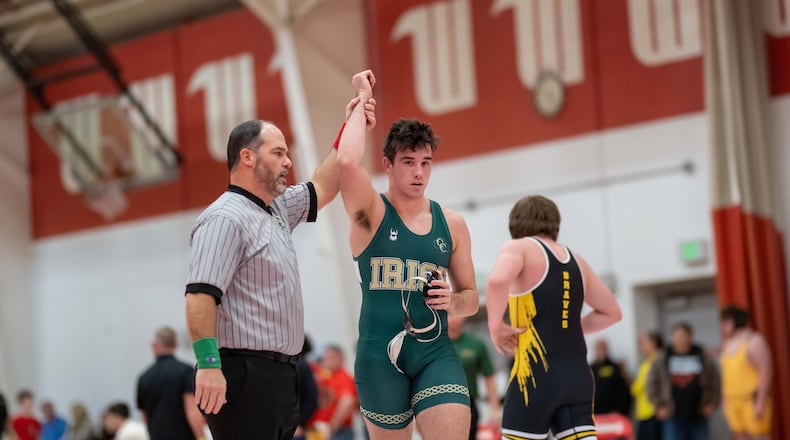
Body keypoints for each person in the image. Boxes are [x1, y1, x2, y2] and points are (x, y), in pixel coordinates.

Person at [184, 84, 376, 440]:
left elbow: (324, 185)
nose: (289, 162)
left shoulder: (278, 208)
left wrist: (353, 122)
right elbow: (199, 297)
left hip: (281, 375)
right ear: (247, 158)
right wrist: (209, 365)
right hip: (244, 372)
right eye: (279, 153)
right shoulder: (225, 217)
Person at [336, 70, 479, 439]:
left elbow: (471, 300)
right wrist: (360, 101)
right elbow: (347, 164)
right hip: (378, 356)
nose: (418, 173)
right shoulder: (372, 215)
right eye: (408, 162)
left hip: (435, 353)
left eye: (426, 163)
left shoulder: (452, 224)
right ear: (388, 164)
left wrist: (453, 301)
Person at [485, 195, 622, 440]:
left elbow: (496, 280)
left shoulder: (519, 248)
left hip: (535, 378)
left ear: (515, 224)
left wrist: (495, 326)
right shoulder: (578, 261)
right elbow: (612, 313)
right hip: (578, 379)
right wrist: (567, 328)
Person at [647, 322, 720, 440]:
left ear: (690, 337)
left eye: (683, 335)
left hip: (698, 415)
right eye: (677, 336)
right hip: (672, 416)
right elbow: (651, 384)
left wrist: (712, 403)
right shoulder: (662, 358)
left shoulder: (702, 356)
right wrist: (658, 405)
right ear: (672, 338)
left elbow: (715, 381)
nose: (680, 339)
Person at [136, 326, 205, 440]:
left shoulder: (144, 377)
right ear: (176, 344)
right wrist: (201, 437)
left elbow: (144, 416)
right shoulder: (186, 371)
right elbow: (192, 409)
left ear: (154, 346)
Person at [720, 305, 772, 440]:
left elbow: (765, 371)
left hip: (751, 400)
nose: (723, 326)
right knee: (739, 436)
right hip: (733, 401)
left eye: (725, 322)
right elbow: (727, 375)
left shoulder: (754, 341)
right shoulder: (727, 343)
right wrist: (725, 401)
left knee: (759, 436)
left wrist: (761, 400)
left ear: (734, 322)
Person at [447, 315, 501, 440]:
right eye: (450, 314)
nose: (454, 319)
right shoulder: (434, 345)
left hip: (468, 404)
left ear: (464, 317)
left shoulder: (476, 344)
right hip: (439, 404)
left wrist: (495, 411)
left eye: (457, 315)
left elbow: (489, 378)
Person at [310, 345, 358, 440]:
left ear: (340, 358)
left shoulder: (343, 377)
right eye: (325, 358)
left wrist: (331, 429)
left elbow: (347, 402)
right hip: (323, 430)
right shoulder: (329, 377)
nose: (327, 361)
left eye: (331, 358)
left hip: (339, 432)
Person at [631, 332, 664, 440]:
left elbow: (640, 386)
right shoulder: (646, 362)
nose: (641, 345)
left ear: (653, 343)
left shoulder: (657, 360)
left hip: (653, 411)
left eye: (644, 342)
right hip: (644, 412)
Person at [591, 339, 632, 416]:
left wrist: (620, 410)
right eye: (598, 349)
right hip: (596, 416)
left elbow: (624, 392)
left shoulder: (616, 368)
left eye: (602, 348)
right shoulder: (590, 369)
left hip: (614, 414)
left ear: (607, 349)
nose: (600, 351)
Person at [294, 336, 319, 440]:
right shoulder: (301, 364)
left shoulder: (300, 365)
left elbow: (310, 397)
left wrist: (298, 422)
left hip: (295, 427)